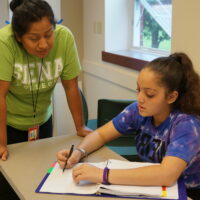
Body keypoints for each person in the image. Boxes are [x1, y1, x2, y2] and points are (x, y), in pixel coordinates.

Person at [57, 52, 200, 200]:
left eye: (149, 94)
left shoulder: (187, 125)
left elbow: (167, 175)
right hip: (153, 187)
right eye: (139, 90)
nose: (140, 98)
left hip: (187, 193)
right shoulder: (138, 110)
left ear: (171, 97)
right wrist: (79, 152)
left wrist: (103, 174)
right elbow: (101, 134)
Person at [0, 0, 92, 162]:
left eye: (49, 35)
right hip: (8, 124)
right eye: (34, 39)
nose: (43, 45)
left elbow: (71, 87)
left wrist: (80, 127)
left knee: (40, 169)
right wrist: (1, 143)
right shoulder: (5, 42)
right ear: (18, 37)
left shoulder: (64, 38)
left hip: (43, 120)